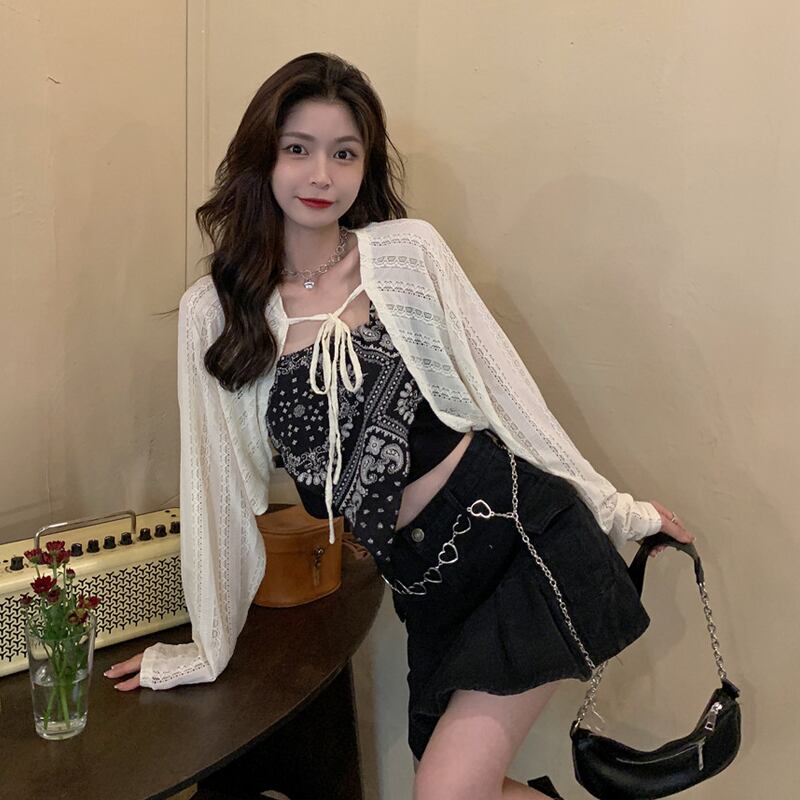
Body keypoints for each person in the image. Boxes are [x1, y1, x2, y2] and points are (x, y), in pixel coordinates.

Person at [103, 52, 695, 799]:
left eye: (344, 153)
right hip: (425, 583)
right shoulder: (216, 312)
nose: (322, 175)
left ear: (366, 165)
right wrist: (205, 644)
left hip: (514, 535)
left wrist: (621, 511)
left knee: (445, 793)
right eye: (298, 149)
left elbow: (511, 397)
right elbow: (215, 489)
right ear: (263, 157)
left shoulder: (407, 255)